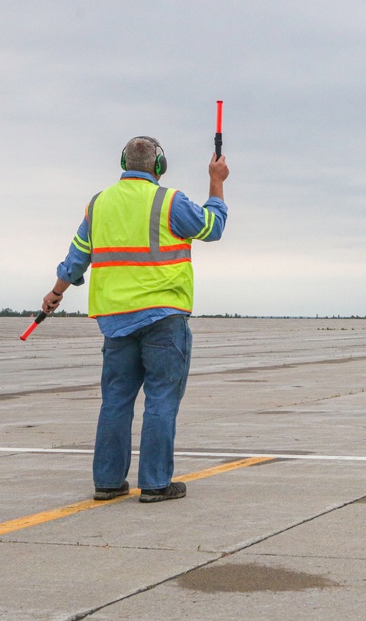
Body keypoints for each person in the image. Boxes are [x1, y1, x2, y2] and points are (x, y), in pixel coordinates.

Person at [40, 136, 229, 503]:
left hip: (114, 320)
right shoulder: (168, 200)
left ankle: (108, 483)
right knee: (160, 399)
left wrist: (56, 292)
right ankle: (157, 483)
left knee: (115, 400)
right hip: (163, 316)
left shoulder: (98, 204)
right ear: (159, 167)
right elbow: (212, 227)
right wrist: (216, 180)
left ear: (122, 162)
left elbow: (77, 257)